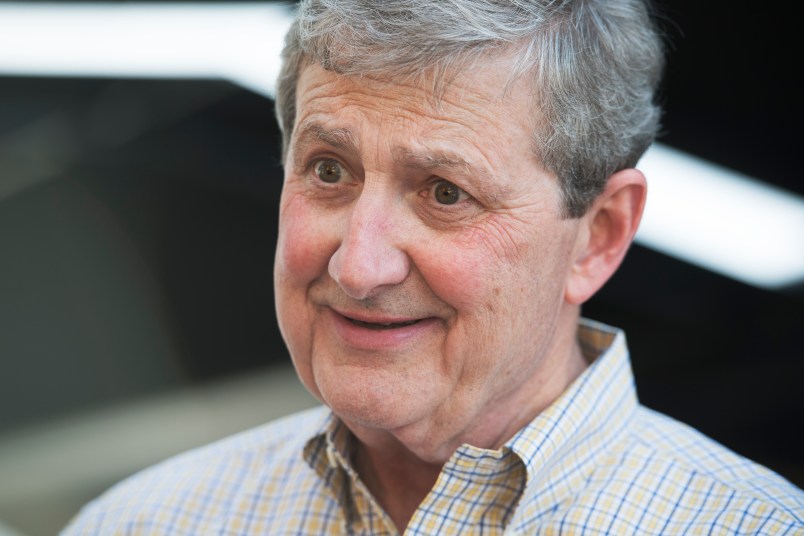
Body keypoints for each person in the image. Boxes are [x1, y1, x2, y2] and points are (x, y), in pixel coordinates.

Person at [62, 0, 803, 534]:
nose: (360, 266)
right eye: (328, 171)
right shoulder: (141, 523)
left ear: (598, 236)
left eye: (445, 192)